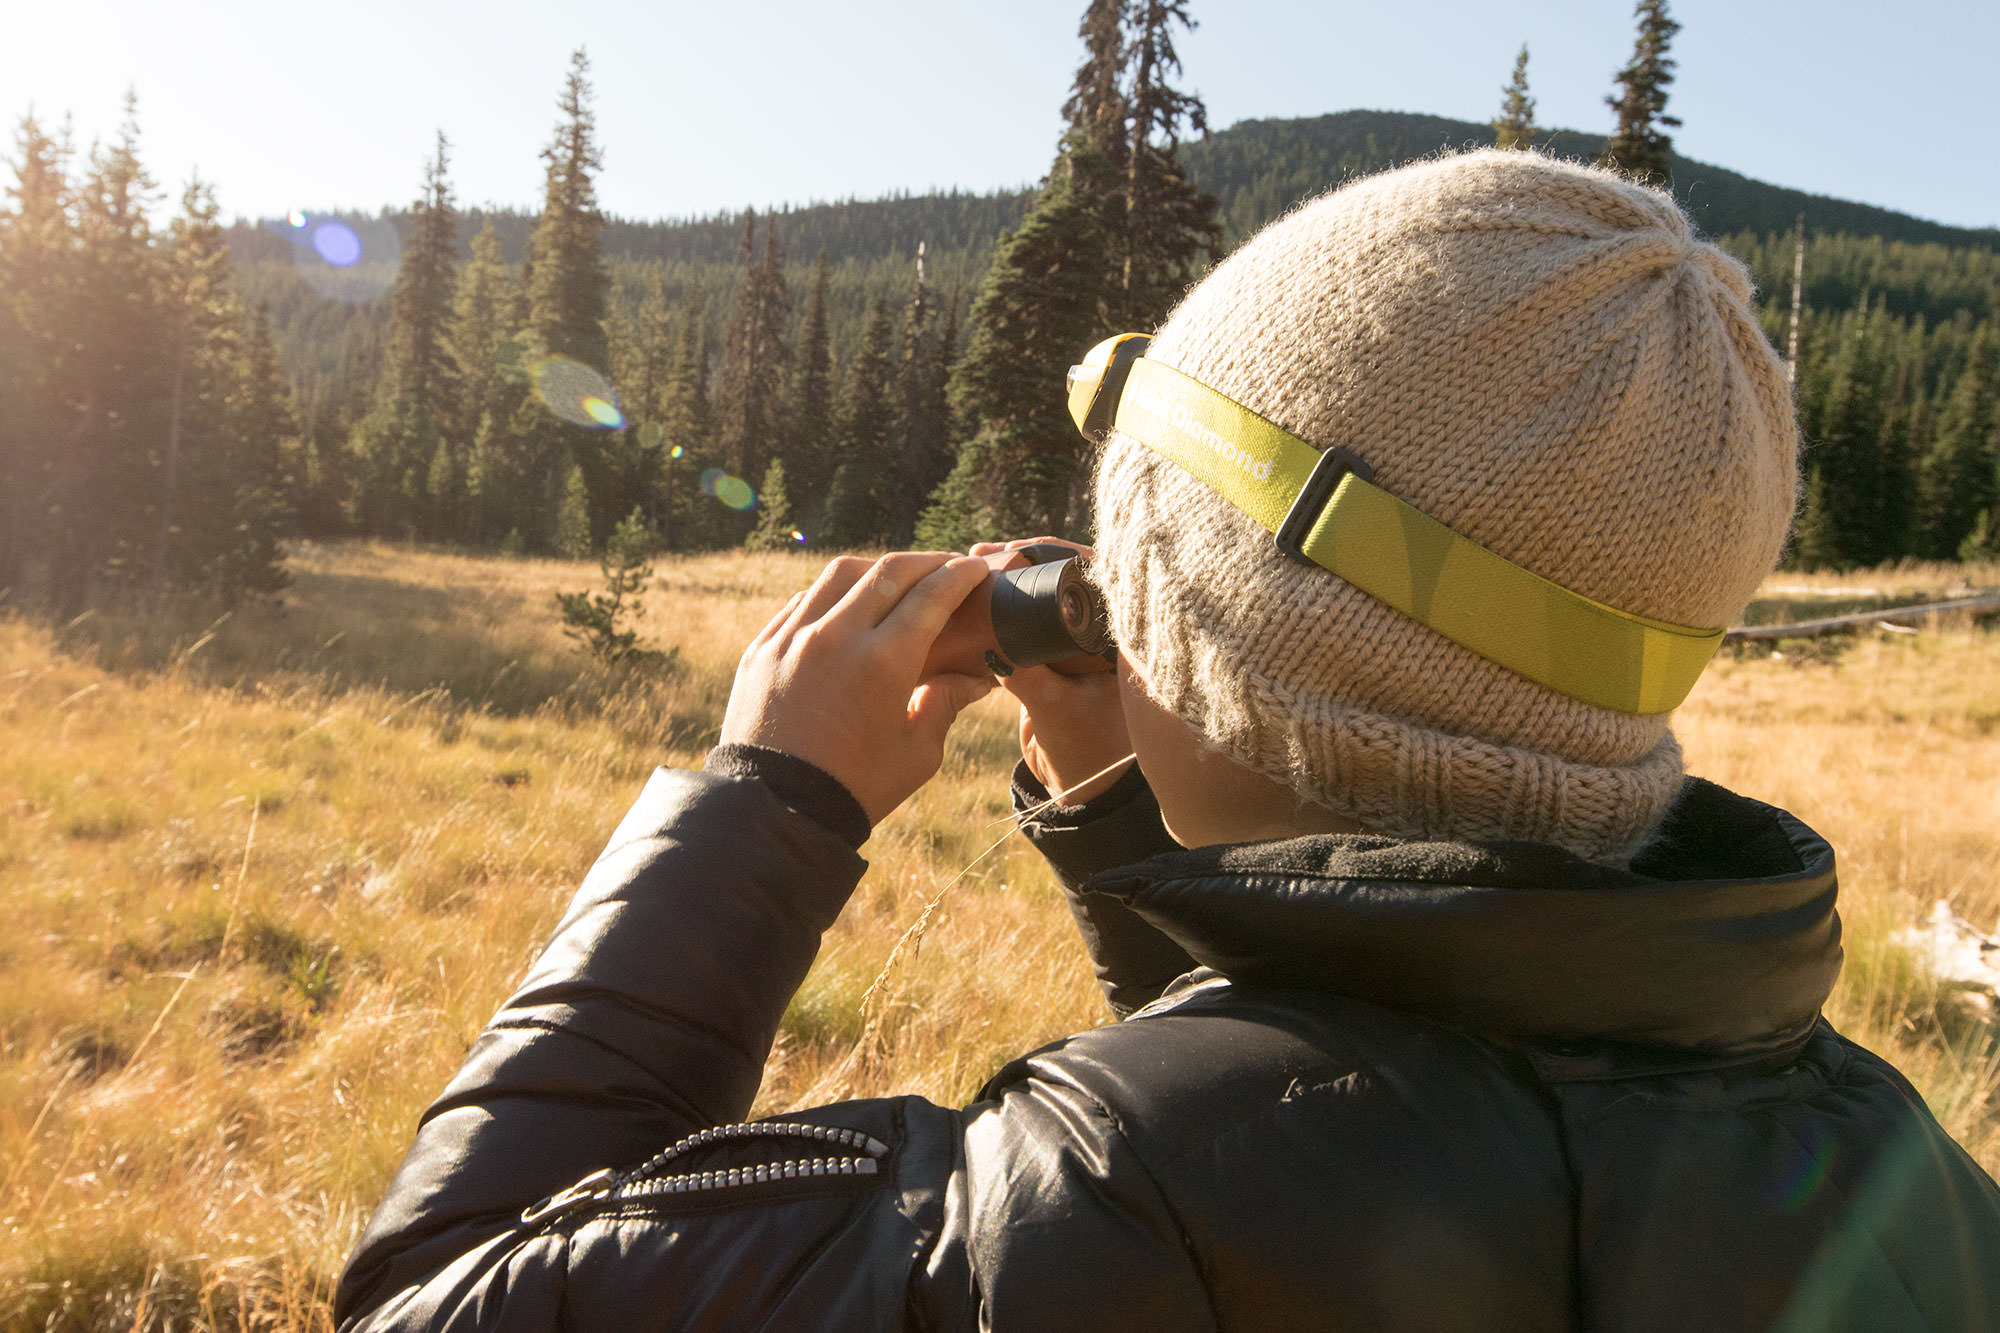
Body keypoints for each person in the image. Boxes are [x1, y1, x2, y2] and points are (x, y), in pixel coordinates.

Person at [335, 151, 2000, 1331]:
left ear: (1211, 644)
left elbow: (432, 1299)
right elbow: (1353, 1098)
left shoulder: (1114, 1202)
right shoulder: (1896, 1164)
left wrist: (762, 808)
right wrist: (1139, 830)